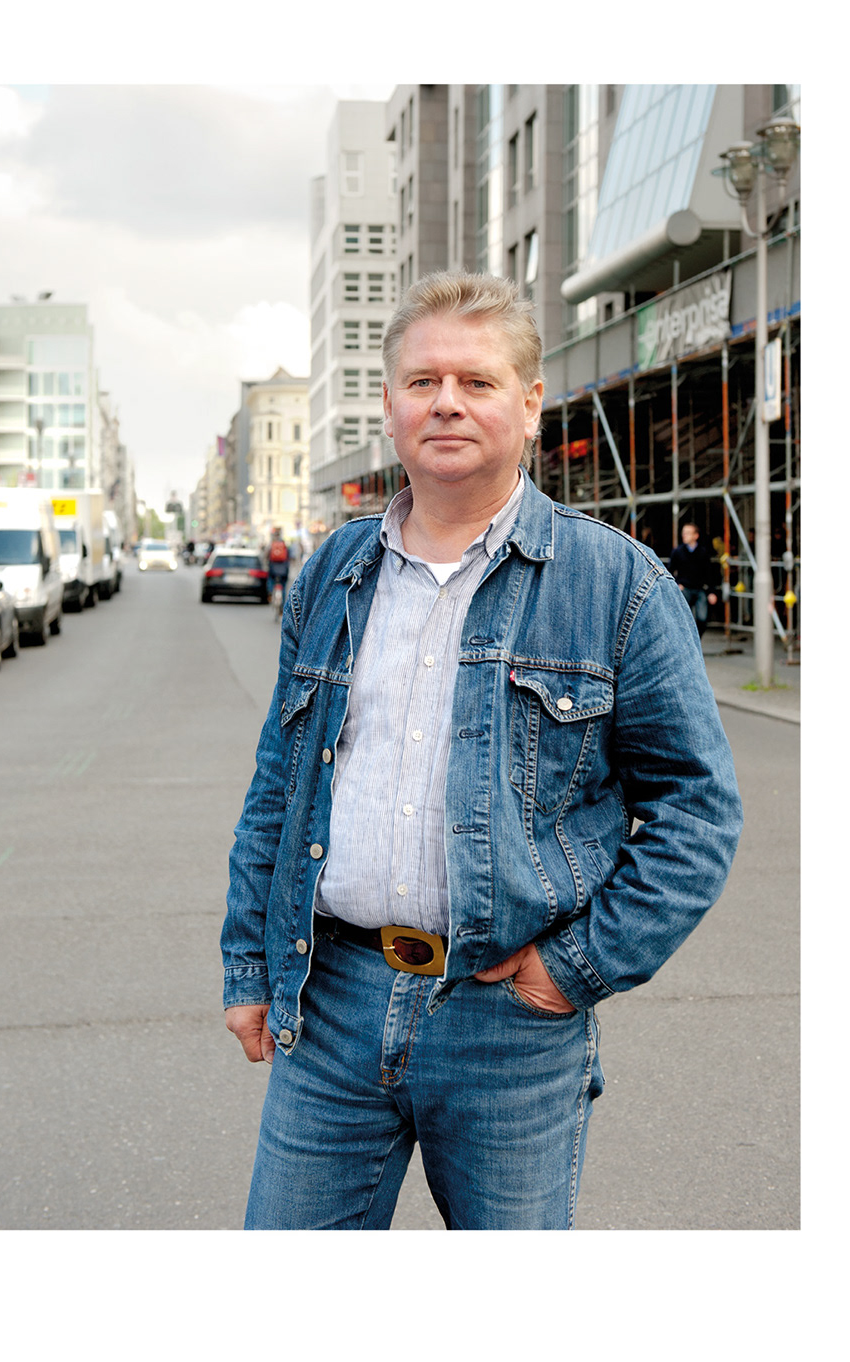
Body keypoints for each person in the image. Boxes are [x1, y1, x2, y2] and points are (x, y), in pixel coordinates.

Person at [220, 272, 742, 1230]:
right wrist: (250, 966)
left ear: (532, 403)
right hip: (329, 1003)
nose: (447, 402)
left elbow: (696, 810)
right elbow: (280, 787)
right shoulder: (331, 575)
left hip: (508, 1025)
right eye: (423, 382)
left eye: (478, 381)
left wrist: (573, 967)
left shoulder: (615, 583)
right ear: (389, 405)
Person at [668, 522, 721, 637]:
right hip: (684, 589)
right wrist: (677, 584)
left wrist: (712, 592)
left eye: (688, 533)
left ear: (695, 536)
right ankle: (686, 643)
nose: (684, 535)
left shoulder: (703, 552)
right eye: (683, 533)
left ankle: (697, 640)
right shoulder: (677, 552)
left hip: (699, 588)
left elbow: (709, 574)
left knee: (702, 618)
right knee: (684, 619)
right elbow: (669, 572)